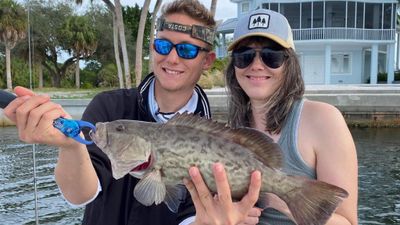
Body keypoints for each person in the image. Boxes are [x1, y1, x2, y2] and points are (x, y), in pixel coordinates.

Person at [3, 1, 262, 225]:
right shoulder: (109, 108)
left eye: (186, 50)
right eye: (163, 45)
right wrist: (71, 147)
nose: (172, 58)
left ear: (207, 61)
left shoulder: (216, 139)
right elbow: (80, 194)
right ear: (152, 48)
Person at [224, 8, 358, 225]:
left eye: (271, 56)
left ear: (290, 64)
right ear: (234, 66)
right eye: (244, 56)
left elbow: (349, 222)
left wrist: (283, 200)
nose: (257, 65)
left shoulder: (324, 120)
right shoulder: (230, 130)